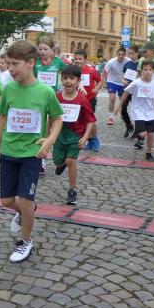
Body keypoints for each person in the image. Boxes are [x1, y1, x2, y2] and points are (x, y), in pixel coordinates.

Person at [0, 40, 63, 263]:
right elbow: (3, 116)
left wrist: (50, 140)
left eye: (15, 64)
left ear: (31, 63)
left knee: (25, 200)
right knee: (7, 201)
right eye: (8, 64)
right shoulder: (9, 88)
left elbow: (57, 118)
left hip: (32, 154)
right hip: (9, 152)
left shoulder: (45, 92)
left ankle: (25, 241)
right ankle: (27, 209)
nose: (11, 69)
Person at [53, 64, 96, 205]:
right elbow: (51, 117)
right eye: (65, 78)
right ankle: (61, 164)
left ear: (78, 81)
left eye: (72, 78)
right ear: (61, 80)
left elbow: (90, 120)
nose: (68, 81)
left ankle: (72, 190)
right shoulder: (57, 98)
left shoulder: (82, 99)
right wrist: (48, 135)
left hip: (75, 135)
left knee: (71, 161)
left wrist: (85, 137)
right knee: (58, 161)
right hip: (59, 134)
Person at [116, 60, 154, 161]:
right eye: (145, 69)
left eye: (150, 70)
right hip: (138, 112)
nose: (147, 72)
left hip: (151, 112)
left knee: (151, 134)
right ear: (142, 70)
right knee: (143, 133)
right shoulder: (137, 83)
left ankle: (148, 153)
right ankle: (140, 136)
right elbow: (126, 92)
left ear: (153, 71)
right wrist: (119, 106)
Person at [71, 49, 102, 150]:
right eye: (76, 59)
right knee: (80, 120)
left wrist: (96, 89)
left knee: (90, 120)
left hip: (90, 99)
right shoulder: (73, 71)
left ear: (85, 60)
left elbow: (100, 81)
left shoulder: (91, 70)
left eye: (80, 59)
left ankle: (94, 140)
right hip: (77, 100)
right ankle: (87, 139)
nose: (77, 61)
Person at [101, 48, 129, 125]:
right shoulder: (111, 62)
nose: (121, 56)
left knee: (122, 100)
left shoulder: (128, 61)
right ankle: (110, 117)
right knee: (112, 98)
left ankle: (121, 112)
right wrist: (104, 83)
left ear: (125, 55)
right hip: (112, 81)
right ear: (117, 55)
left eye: (123, 55)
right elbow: (104, 73)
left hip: (123, 83)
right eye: (119, 54)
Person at [120, 46, 141, 139]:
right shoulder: (127, 64)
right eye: (129, 54)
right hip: (127, 89)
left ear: (137, 53)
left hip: (136, 91)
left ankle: (137, 130)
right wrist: (123, 81)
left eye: (132, 53)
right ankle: (129, 126)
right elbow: (122, 76)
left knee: (136, 111)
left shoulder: (140, 64)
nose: (131, 55)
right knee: (123, 109)